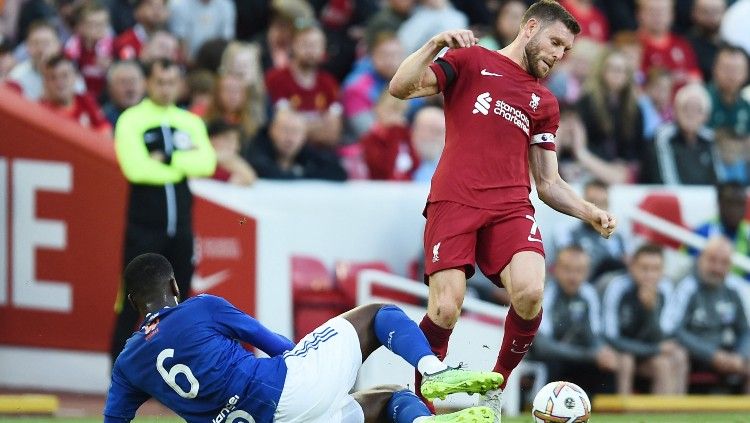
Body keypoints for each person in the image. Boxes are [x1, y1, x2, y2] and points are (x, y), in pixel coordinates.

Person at [388, 0, 617, 413]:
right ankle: (421, 407)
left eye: (566, 50)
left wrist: (589, 211)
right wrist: (435, 43)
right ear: (530, 28)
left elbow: (548, 183)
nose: (558, 55)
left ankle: (495, 390)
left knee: (530, 293)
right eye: (555, 42)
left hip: (511, 206)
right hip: (455, 197)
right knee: (444, 306)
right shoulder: (472, 61)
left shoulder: (543, 103)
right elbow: (400, 87)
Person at [104, 253, 501, 423]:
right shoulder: (200, 306)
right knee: (378, 315)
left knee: (387, 400)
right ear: (174, 285)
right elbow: (272, 341)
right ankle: (434, 370)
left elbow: (114, 420)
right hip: (285, 390)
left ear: (134, 302)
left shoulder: (127, 363)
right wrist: (311, 367)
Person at [110, 58, 217, 364]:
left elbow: (207, 163)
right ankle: (119, 369)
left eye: (172, 83)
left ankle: (171, 368)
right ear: (148, 82)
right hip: (144, 227)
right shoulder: (131, 119)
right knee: (132, 299)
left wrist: (166, 159)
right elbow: (135, 168)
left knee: (176, 302)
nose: (166, 89)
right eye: (160, 82)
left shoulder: (190, 122)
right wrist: (182, 161)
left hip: (181, 228)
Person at [531, 245, 631, 396]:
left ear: (587, 272)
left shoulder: (588, 294)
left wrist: (602, 352)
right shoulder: (545, 294)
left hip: (577, 357)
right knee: (553, 365)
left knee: (606, 365)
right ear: (556, 269)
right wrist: (590, 355)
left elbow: (595, 337)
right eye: (567, 270)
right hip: (548, 360)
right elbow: (543, 347)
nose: (573, 276)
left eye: (579, 271)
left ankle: (604, 413)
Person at [602, 244, 689, 394]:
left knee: (676, 357)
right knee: (626, 360)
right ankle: (624, 414)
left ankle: (673, 413)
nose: (650, 275)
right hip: (621, 351)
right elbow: (610, 337)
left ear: (662, 271)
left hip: (649, 353)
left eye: (655, 269)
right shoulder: (617, 287)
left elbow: (663, 335)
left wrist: (651, 311)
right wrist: (654, 349)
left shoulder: (666, 289)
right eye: (644, 268)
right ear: (632, 267)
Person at [672, 236, 750, 393]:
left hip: (727, 354)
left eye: (724, 263)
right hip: (694, 355)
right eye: (712, 260)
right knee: (675, 356)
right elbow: (675, 330)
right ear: (700, 258)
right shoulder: (686, 286)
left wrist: (741, 356)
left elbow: (744, 330)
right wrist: (711, 354)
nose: (717, 268)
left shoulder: (734, 289)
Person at [265, 24, 343, 148]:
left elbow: (333, 134)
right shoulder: (276, 78)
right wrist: (319, 123)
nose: (311, 51)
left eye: (316, 46)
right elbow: (285, 129)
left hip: (321, 152)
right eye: (306, 44)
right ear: (293, 46)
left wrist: (299, 124)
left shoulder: (329, 82)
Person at [641, 82, 720, 185]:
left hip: (704, 199)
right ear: (676, 111)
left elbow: (718, 179)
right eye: (686, 108)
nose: (691, 114)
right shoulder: (662, 137)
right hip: (669, 199)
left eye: (697, 110)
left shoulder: (710, 139)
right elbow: (666, 182)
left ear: (706, 116)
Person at [549, 179, 627, 282]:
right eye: (593, 203)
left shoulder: (618, 237)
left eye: (602, 203)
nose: (599, 209)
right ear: (583, 202)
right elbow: (565, 266)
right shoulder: (566, 232)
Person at [247, 107, 347, 181]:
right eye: (285, 130)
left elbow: (338, 172)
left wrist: (300, 174)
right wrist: (299, 175)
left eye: (296, 131)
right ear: (272, 130)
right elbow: (261, 169)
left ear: (304, 137)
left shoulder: (305, 151)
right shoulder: (259, 146)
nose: (290, 137)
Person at [687, 181, 750, 279]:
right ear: (719, 204)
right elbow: (692, 271)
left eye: (740, 204)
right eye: (731, 203)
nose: (736, 210)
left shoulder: (748, 233)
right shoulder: (703, 232)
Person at [39, 54, 111, 136]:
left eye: (64, 76)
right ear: (45, 82)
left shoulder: (86, 101)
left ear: (75, 78)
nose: (59, 82)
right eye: (53, 77)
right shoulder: (40, 110)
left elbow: (105, 131)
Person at [63, 1, 113, 98]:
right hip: (80, 97)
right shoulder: (71, 49)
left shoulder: (114, 47)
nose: (100, 29)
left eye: (103, 24)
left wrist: (111, 68)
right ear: (80, 27)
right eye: (94, 24)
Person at [206, 119, 257, 186]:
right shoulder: (198, 162)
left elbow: (250, 178)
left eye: (236, 141)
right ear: (211, 139)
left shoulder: (228, 166)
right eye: (227, 139)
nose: (234, 146)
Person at [101, 60, 145, 126]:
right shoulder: (103, 119)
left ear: (144, 84)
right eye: (123, 82)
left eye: (134, 81)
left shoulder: (155, 112)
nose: (130, 88)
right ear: (110, 87)